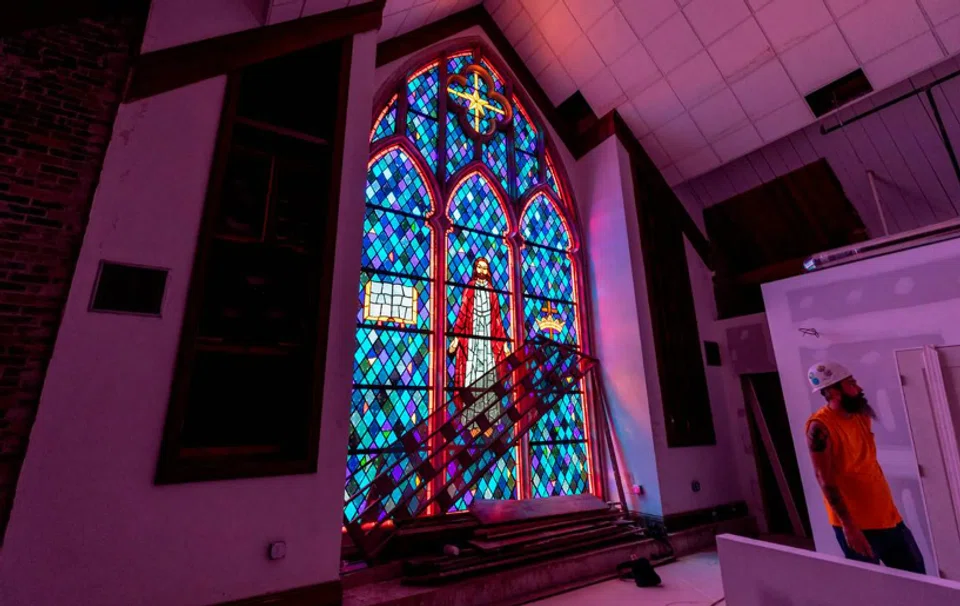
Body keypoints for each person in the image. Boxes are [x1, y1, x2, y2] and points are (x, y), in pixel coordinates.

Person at [805, 362, 925, 574]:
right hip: (858, 527)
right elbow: (825, 479)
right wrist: (849, 527)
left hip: (889, 518)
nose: (859, 388)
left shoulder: (861, 416)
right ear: (834, 391)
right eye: (851, 383)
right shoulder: (820, 427)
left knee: (918, 583)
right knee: (872, 591)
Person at [448, 258, 510, 434]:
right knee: (472, 378)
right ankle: (472, 421)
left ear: (488, 271)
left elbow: (497, 319)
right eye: (479, 268)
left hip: (488, 342)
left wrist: (503, 343)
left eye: (485, 268)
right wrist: (456, 337)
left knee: (489, 379)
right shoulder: (469, 289)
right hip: (473, 341)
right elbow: (463, 313)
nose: (482, 271)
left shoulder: (492, 292)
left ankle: (489, 420)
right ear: (475, 270)